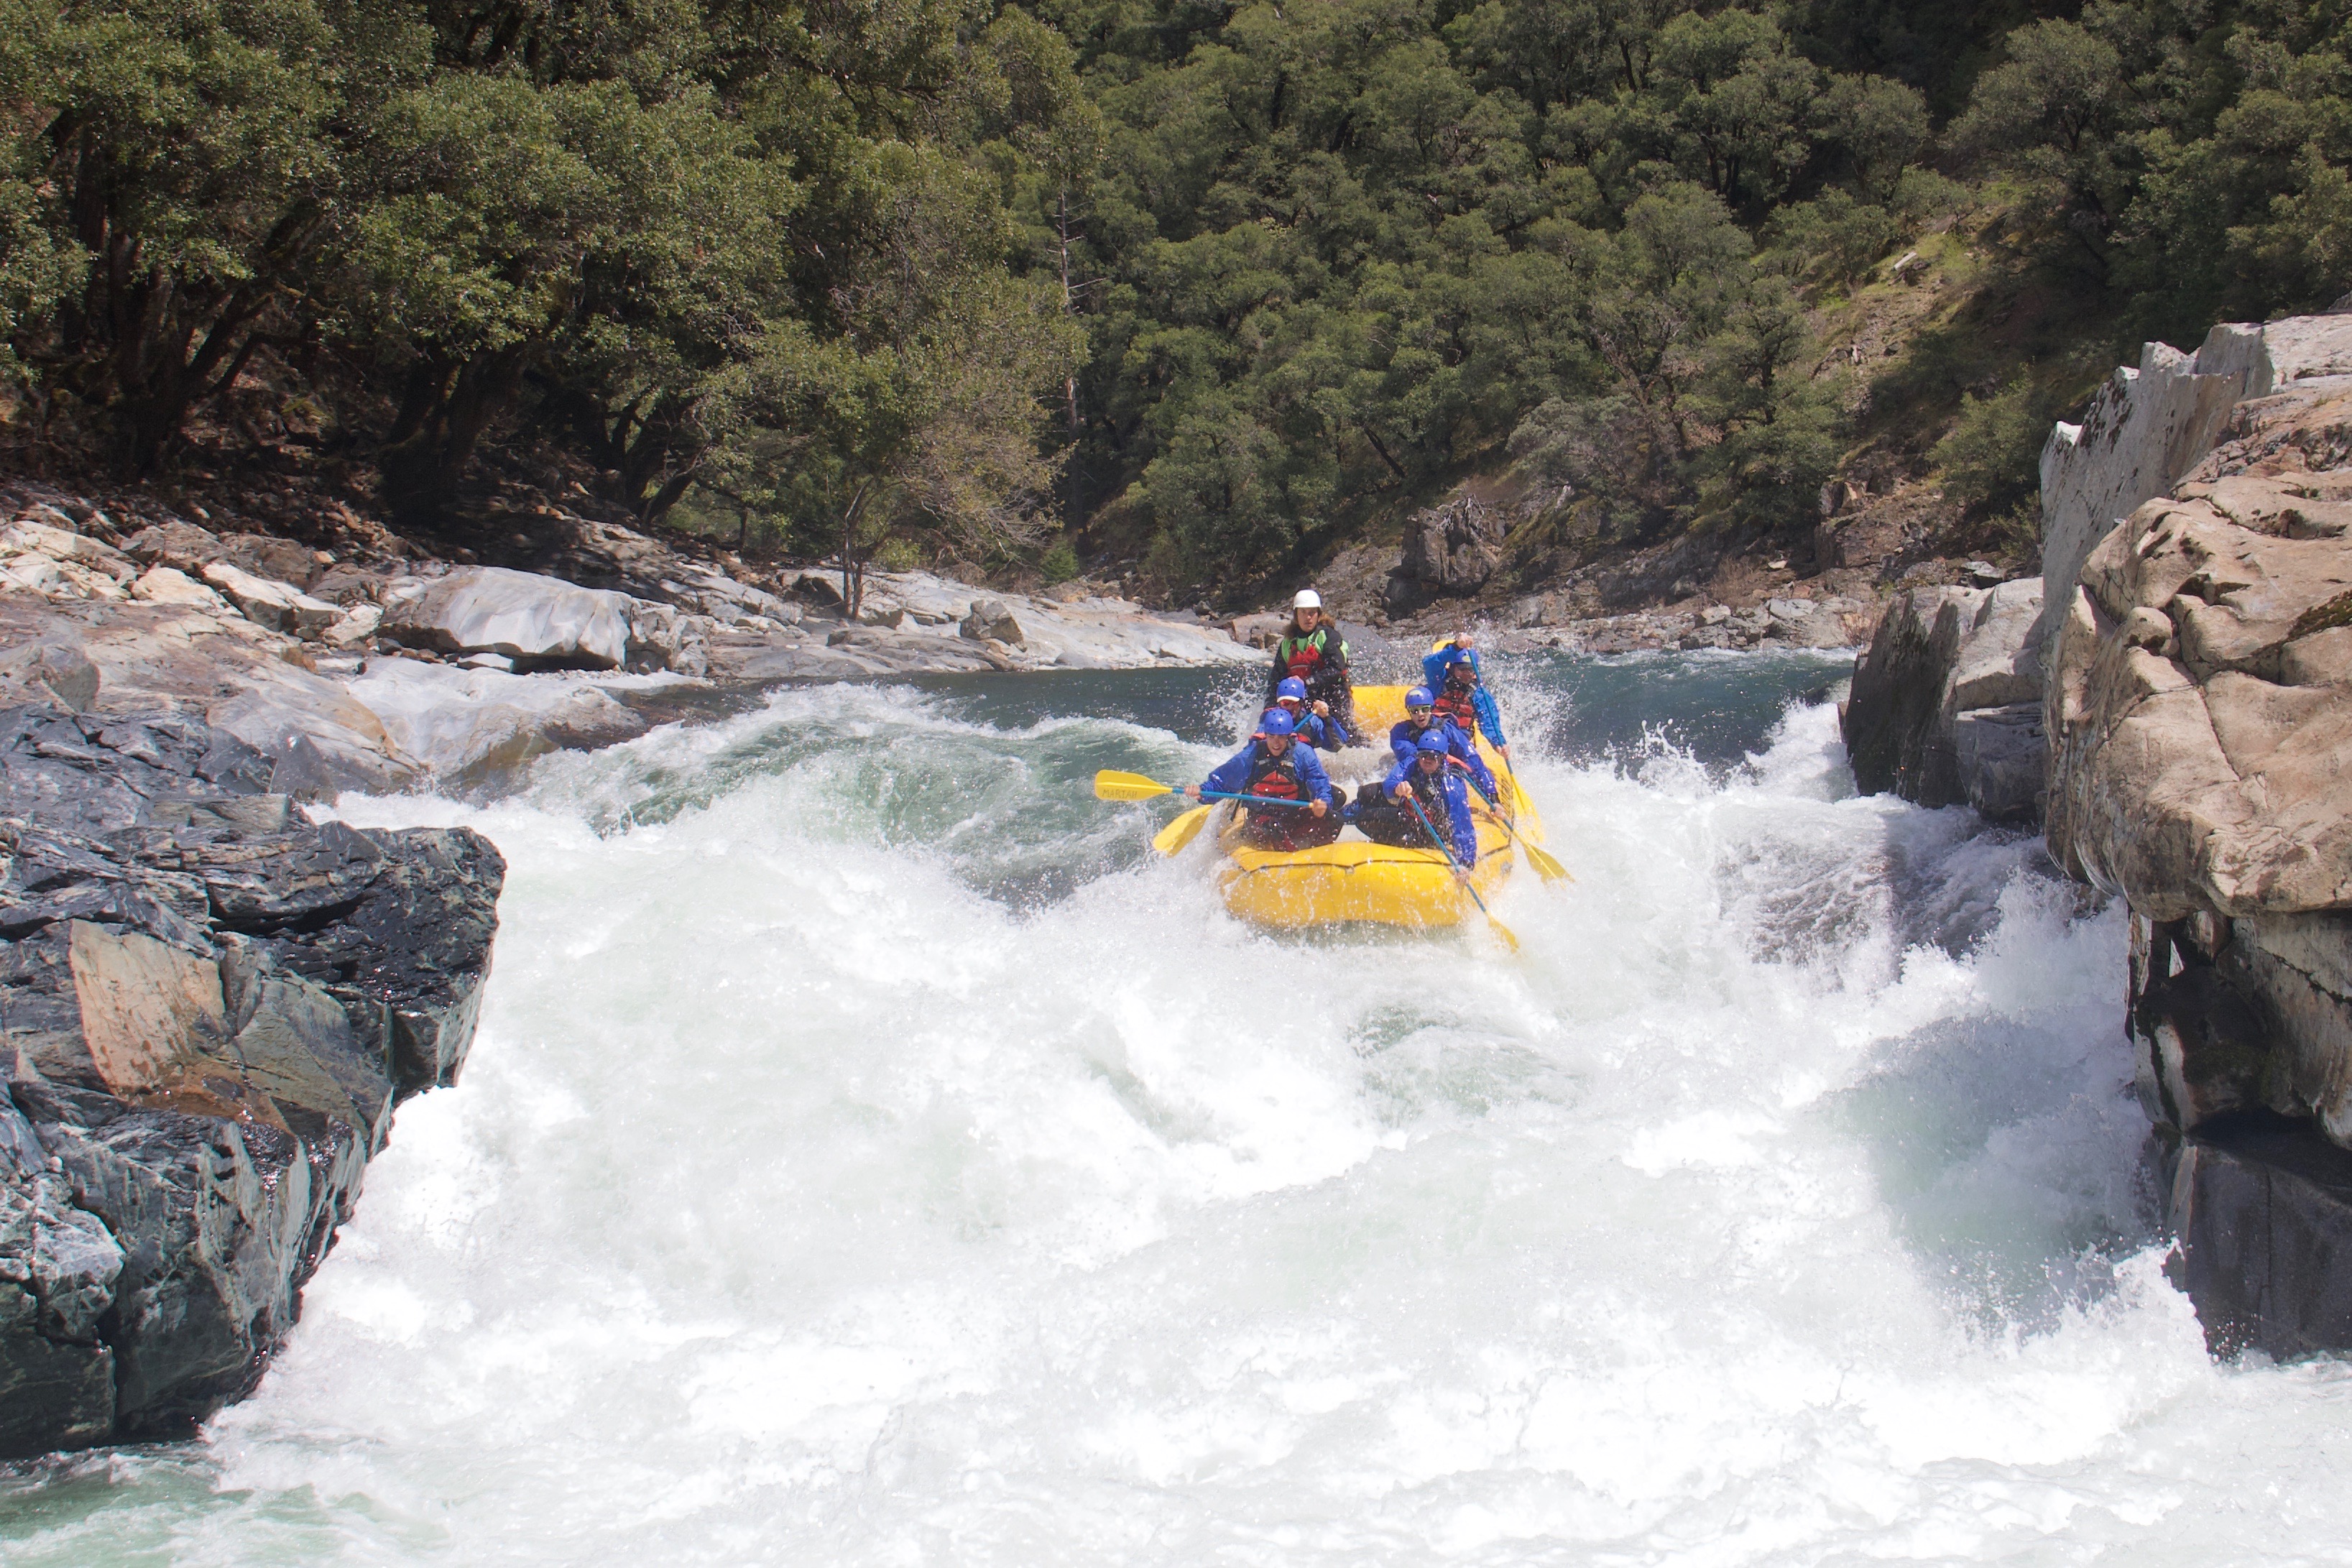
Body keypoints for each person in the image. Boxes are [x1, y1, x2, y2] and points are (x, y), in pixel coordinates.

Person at [1186, 707, 1342, 851]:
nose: (1276, 742)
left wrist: (1323, 802)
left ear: (1289, 736)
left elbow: (1319, 781)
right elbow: (1222, 781)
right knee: (1274, 827)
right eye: (1271, 736)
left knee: (1333, 818)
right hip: (1261, 819)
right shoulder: (1252, 755)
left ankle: (1318, 854)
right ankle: (1285, 859)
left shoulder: (1303, 754)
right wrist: (1202, 791)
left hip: (1293, 816)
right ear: (1265, 735)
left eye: (1281, 737)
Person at [1351, 730, 1477, 875]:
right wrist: (1396, 789)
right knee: (1363, 818)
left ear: (1442, 758)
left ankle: (1406, 843)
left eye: (1432, 757)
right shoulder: (1412, 764)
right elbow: (1391, 781)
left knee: (1380, 820)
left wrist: (1466, 863)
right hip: (1413, 819)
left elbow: (1462, 826)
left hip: (1435, 831)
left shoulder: (1451, 786)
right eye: (1423, 756)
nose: (1427, 760)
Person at [1266, 589, 1357, 742]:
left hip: (1332, 694)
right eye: (1303, 613)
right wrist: (1268, 710)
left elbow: (1336, 669)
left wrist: (1307, 681)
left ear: (1318, 614)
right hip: (1303, 699)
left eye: (1312, 613)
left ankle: (1358, 743)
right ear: (1296, 615)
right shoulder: (1288, 643)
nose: (1308, 617)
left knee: (1346, 733)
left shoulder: (1328, 636)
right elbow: (1276, 680)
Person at [1388, 686, 1498, 804]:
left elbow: (1471, 758)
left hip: (1440, 774)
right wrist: (1434, 755)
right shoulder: (1400, 731)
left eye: (1425, 709)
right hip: (1414, 774)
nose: (1420, 714)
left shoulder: (1447, 730)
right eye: (1415, 710)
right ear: (1409, 711)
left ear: (1431, 709)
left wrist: (1492, 795)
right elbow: (1406, 753)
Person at [1421, 634, 1509, 761]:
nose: (1467, 674)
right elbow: (1429, 664)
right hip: (1430, 736)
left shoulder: (1479, 694)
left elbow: (1489, 721)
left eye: (1470, 669)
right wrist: (1456, 647)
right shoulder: (1439, 681)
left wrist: (1499, 744)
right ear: (1452, 668)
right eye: (1462, 669)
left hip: (1459, 741)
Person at [1273, 676, 1348, 751]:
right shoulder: (1270, 721)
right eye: (1285, 703)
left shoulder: (1312, 723)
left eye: (1294, 703)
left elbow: (1339, 745)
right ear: (1279, 704)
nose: (1290, 707)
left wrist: (1326, 718)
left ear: (1301, 703)